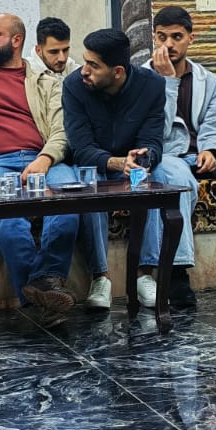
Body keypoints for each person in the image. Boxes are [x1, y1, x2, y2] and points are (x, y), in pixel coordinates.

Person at [0, 13, 78, 316]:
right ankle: (42, 297)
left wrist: (44, 159)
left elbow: (62, 130)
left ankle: (41, 286)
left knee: (70, 201)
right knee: (7, 216)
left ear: (16, 40)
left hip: (43, 158)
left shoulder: (45, 83)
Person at [142, 6, 216, 309]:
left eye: (176, 37)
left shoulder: (206, 79)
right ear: (154, 38)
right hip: (166, 154)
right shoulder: (143, 78)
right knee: (180, 181)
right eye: (162, 37)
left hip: (202, 151)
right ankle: (177, 273)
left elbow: (214, 122)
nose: (169, 44)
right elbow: (158, 129)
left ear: (190, 39)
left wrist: (211, 150)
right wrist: (167, 81)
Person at [61, 27, 166, 306]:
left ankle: (145, 275)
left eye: (93, 66)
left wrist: (144, 158)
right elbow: (81, 148)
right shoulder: (74, 86)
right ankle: (100, 277)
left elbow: (154, 140)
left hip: (131, 164)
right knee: (89, 181)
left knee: (153, 179)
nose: (84, 71)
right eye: (85, 61)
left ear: (118, 71)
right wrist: (115, 161)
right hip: (95, 163)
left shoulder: (152, 85)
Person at [35, 16, 112, 309]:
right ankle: (45, 283)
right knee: (75, 187)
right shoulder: (28, 75)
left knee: (87, 184)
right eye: (54, 51)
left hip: (80, 151)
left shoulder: (79, 72)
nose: (61, 57)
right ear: (38, 50)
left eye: (66, 50)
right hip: (47, 153)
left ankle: (95, 279)